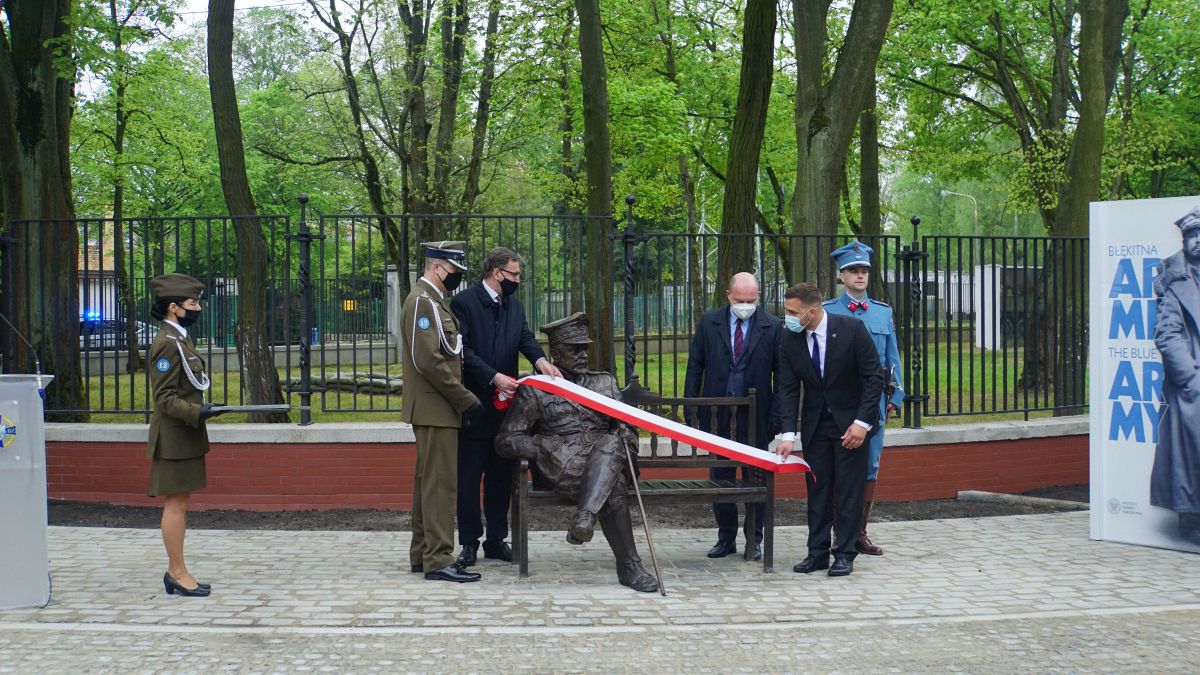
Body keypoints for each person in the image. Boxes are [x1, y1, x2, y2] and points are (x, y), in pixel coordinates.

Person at [495, 312, 659, 592]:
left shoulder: (604, 383)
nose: (583, 355)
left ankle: (586, 518)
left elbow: (628, 430)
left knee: (613, 452)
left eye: (585, 348)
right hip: (563, 467)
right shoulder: (537, 391)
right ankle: (629, 567)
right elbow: (505, 440)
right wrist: (544, 447)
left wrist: (624, 434)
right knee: (614, 482)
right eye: (574, 349)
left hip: (605, 459)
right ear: (555, 353)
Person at [450, 247, 562, 567]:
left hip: (506, 409)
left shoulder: (514, 306)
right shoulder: (464, 303)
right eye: (514, 274)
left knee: (500, 476)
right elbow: (463, 352)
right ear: (496, 272)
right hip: (474, 405)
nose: (518, 280)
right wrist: (493, 377)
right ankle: (469, 542)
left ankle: (496, 540)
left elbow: (525, 338)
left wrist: (541, 362)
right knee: (469, 477)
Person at [776, 282, 883, 577]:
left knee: (848, 490)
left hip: (851, 425)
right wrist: (788, 435)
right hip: (816, 426)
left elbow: (873, 378)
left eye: (792, 312)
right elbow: (787, 387)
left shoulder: (852, 330)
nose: (787, 317)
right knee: (818, 490)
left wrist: (862, 423)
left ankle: (845, 553)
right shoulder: (790, 338)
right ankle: (817, 553)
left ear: (812, 312)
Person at [401, 240, 484, 583]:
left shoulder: (433, 301)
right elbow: (428, 361)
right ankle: (437, 559)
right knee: (439, 485)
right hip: (435, 408)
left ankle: (423, 553)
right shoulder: (423, 302)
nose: (456, 277)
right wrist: (465, 398)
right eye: (453, 270)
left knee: (428, 483)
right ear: (437, 267)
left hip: (435, 408)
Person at [683, 272, 781, 560]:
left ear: (758, 296)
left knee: (756, 478)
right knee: (720, 477)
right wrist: (691, 409)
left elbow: (782, 376)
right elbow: (695, 366)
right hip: (718, 414)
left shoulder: (772, 326)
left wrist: (776, 417)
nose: (745, 306)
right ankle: (726, 537)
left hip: (756, 416)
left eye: (751, 300)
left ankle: (755, 539)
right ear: (728, 295)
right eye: (740, 300)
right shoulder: (709, 322)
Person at [147, 273, 227, 597]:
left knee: (181, 502)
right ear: (173, 307)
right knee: (176, 504)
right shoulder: (167, 344)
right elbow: (164, 399)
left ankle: (177, 569)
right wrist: (197, 412)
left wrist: (202, 409)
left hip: (185, 435)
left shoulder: (179, 339)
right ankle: (176, 572)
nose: (197, 308)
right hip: (174, 438)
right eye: (192, 303)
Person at [824, 241, 905, 556]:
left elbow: (892, 356)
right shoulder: (829, 311)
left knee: (870, 466)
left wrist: (895, 395)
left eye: (864, 271)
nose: (860, 276)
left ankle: (859, 532)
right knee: (838, 467)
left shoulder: (882, 312)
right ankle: (839, 533)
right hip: (839, 402)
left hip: (873, 403)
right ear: (841, 275)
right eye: (853, 270)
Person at [1151, 205, 1200, 546]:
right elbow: (1167, 334)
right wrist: (1190, 379)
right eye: (1192, 236)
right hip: (1192, 383)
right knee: (1189, 455)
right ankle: (1192, 519)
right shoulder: (1175, 283)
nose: (1197, 241)